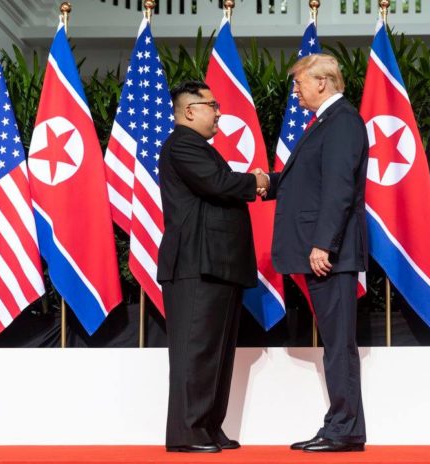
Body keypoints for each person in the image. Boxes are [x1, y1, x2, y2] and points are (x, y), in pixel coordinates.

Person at [263, 54, 368, 452]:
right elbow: (306, 181)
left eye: (299, 84)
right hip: (324, 251)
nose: (295, 91)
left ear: (322, 82)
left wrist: (323, 243)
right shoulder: (327, 121)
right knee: (336, 342)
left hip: (330, 254)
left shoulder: (341, 122)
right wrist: (262, 183)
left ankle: (343, 429)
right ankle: (345, 426)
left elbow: (340, 189)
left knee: (339, 344)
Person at [157, 80, 269, 453]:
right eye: (212, 105)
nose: (218, 111)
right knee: (196, 351)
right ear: (189, 111)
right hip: (195, 264)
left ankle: (207, 428)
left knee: (217, 352)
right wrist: (255, 180)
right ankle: (187, 433)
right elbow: (219, 184)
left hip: (216, 264)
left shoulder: (197, 147)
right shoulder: (183, 144)